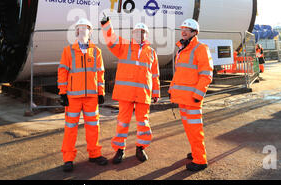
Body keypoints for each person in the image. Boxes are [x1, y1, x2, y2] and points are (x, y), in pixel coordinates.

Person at [101, 16, 160, 164]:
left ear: (146, 35)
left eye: (142, 32)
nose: (139, 35)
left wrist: (156, 92)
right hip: (126, 93)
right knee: (122, 122)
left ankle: (140, 148)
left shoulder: (152, 53)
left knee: (143, 123)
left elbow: (154, 75)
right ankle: (119, 150)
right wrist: (106, 24)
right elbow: (111, 39)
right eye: (136, 32)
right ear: (132, 34)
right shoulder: (124, 47)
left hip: (143, 94)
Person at [58, 18, 108, 172]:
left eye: (85, 28)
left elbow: (100, 74)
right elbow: (62, 72)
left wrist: (101, 92)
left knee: (93, 126)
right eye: (80, 28)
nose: (82, 30)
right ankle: (68, 158)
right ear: (76, 31)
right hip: (73, 97)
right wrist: (63, 92)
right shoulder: (68, 50)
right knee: (70, 128)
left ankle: (94, 154)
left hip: (91, 97)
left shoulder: (96, 51)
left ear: (90, 31)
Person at [168, 18, 213, 172]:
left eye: (188, 29)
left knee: (195, 129)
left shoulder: (200, 48)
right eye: (183, 29)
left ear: (195, 32)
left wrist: (198, 95)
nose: (184, 31)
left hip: (192, 99)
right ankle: (196, 152)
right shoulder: (182, 49)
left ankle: (200, 160)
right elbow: (180, 74)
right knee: (189, 129)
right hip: (182, 98)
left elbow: (206, 74)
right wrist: (171, 90)